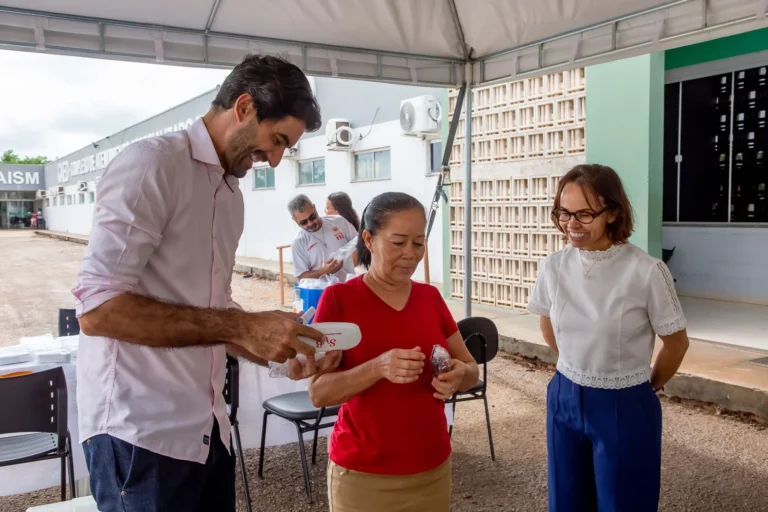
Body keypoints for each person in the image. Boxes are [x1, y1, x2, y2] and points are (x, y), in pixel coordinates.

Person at [72, 54, 342, 512]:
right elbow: (98, 309)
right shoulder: (153, 165)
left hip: (206, 431)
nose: (274, 161)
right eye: (276, 141)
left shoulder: (230, 195)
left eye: (285, 149)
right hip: (140, 435)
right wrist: (242, 329)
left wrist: (280, 348)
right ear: (243, 106)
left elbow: (212, 310)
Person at [527, 164, 690, 511]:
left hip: (624, 400)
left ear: (612, 212)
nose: (571, 224)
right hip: (563, 394)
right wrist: (576, 360)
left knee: (624, 502)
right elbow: (548, 327)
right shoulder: (554, 265)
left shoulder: (645, 271)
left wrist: (647, 385)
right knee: (566, 500)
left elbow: (677, 343)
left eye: (584, 214)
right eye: (563, 213)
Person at [308, 191, 479, 512]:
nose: (411, 254)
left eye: (418, 243)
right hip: (362, 475)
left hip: (431, 469)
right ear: (369, 240)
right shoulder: (339, 299)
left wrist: (458, 375)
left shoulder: (430, 298)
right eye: (398, 243)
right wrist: (377, 368)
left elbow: (471, 370)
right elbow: (318, 393)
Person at [289, 193, 358, 282]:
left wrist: (348, 262)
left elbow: (359, 245)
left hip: (347, 286)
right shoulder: (298, 242)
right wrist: (322, 272)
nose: (310, 223)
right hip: (321, 292)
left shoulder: (339, 221)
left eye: (312, 217)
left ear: (314, 207)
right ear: (294, 220)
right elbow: (301, 276)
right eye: (303, 222)